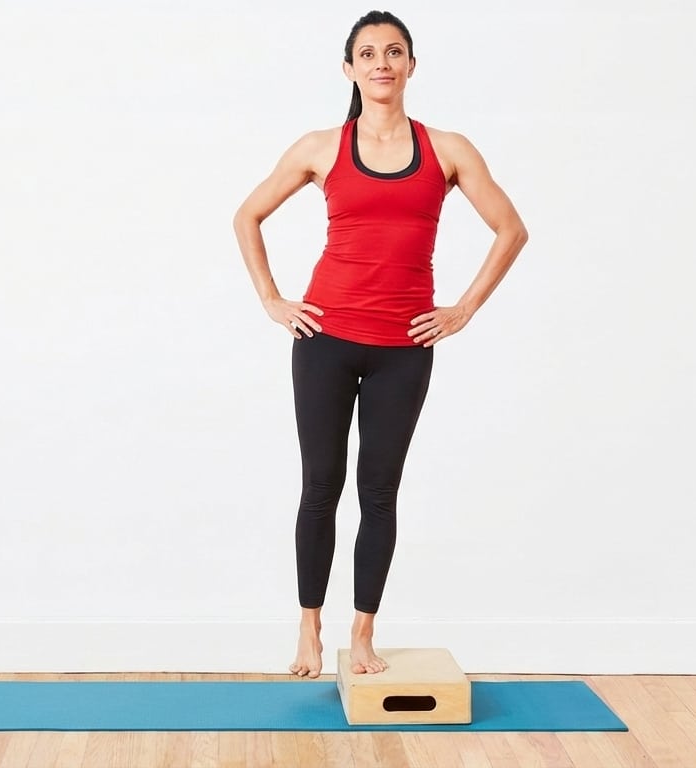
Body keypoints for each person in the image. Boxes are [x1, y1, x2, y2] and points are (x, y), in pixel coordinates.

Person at [232, 10, 529, 678]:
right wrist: (273, 301)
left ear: (411, 66)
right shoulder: (320, 147)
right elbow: (246, 214)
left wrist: (462, 310)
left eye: (394, 52)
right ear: (350, 69)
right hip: (325, 339)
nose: (382, 63)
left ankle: (363, 635)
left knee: (380, 493)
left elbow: (510, 229)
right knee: (320, 487)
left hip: (403, 346)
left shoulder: (448, 149)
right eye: (368, 53)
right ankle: (308, 631)